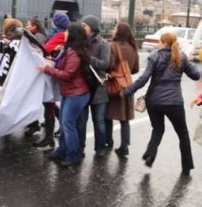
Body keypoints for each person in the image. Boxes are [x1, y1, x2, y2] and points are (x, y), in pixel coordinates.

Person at [122, 32, 200, 175]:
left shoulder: (154, 56)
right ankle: (187, 166)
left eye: (159, 41)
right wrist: (190, 62)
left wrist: (127, 91)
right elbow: (196, 75)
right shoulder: (181, 56)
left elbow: (144, 79)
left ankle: (150, 154)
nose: (158, 43)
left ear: (164, 42)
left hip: (154, 101)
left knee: (158, 129)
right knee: (182, 133)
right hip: (174, 102)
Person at [38, 23, 90, 167]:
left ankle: (74, 156)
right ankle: (62, 151)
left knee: (68, 125)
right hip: (70, 92)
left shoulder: (74, 53)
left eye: (67, 31)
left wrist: (47, 69)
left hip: (76, 94)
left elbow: (67, 75)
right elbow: (63, 67)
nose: (64, 33)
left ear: (73, 34)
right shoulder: (70, 50)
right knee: (64, 122)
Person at [31, 13, 70, 147]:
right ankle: (55, 132)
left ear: (56, 23)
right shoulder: (61, 34)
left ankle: (49, 137)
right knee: (50, 103)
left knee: (49, 103)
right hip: (53, 70)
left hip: (51, 71)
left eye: (54, 21)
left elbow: (45, 49)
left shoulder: (59, 35)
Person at [78, 15, 110, 158]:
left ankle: (100, 148)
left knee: (99, 121)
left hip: (98, 88)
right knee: (81, 121)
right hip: (83, 87)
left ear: (92, 28)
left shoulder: (103, 44)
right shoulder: (79, 42)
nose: (82, 27)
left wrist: (87, 57)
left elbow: (105, 64)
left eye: (85, 26)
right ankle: (80, 147)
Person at [106, 22, 139, 156]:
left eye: (115, 28)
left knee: (107, 115)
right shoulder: (133, 47)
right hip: (127, 85)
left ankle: (109, 141)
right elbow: (136, 69)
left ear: (119, 32)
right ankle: (124, 146)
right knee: (124, 118)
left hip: (114, 84)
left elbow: (109, 65)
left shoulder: (112, 46)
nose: (113, 30)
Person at [24, 17, 47, 138]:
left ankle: (34, 124)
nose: (27, 26)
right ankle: (33, 123)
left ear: (35, 26)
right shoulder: (37, 35)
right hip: (36, 71)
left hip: (37, 71)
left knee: (40, 101)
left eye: (28, 24)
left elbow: (35, 52)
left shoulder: (38, 37)